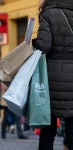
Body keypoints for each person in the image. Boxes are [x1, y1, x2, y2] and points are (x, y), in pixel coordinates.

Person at [33, 0, 73, 149]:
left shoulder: (48, 13)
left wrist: (34, 44)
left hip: (52, 78)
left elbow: (44, 45)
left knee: (48, 130)